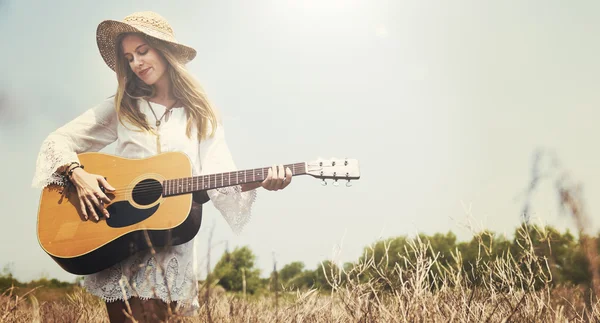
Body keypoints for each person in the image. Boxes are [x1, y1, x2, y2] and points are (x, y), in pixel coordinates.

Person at [31, 11, 292, 322]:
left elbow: (219, 178)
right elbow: (57, 142)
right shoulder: (122, 107)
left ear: (164, 51)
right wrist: (79, 175)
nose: (136, 63)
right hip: (119, 239)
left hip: (172, 249)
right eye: (129, 57)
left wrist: (262, 181)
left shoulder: (201, 115)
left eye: (142, 51)